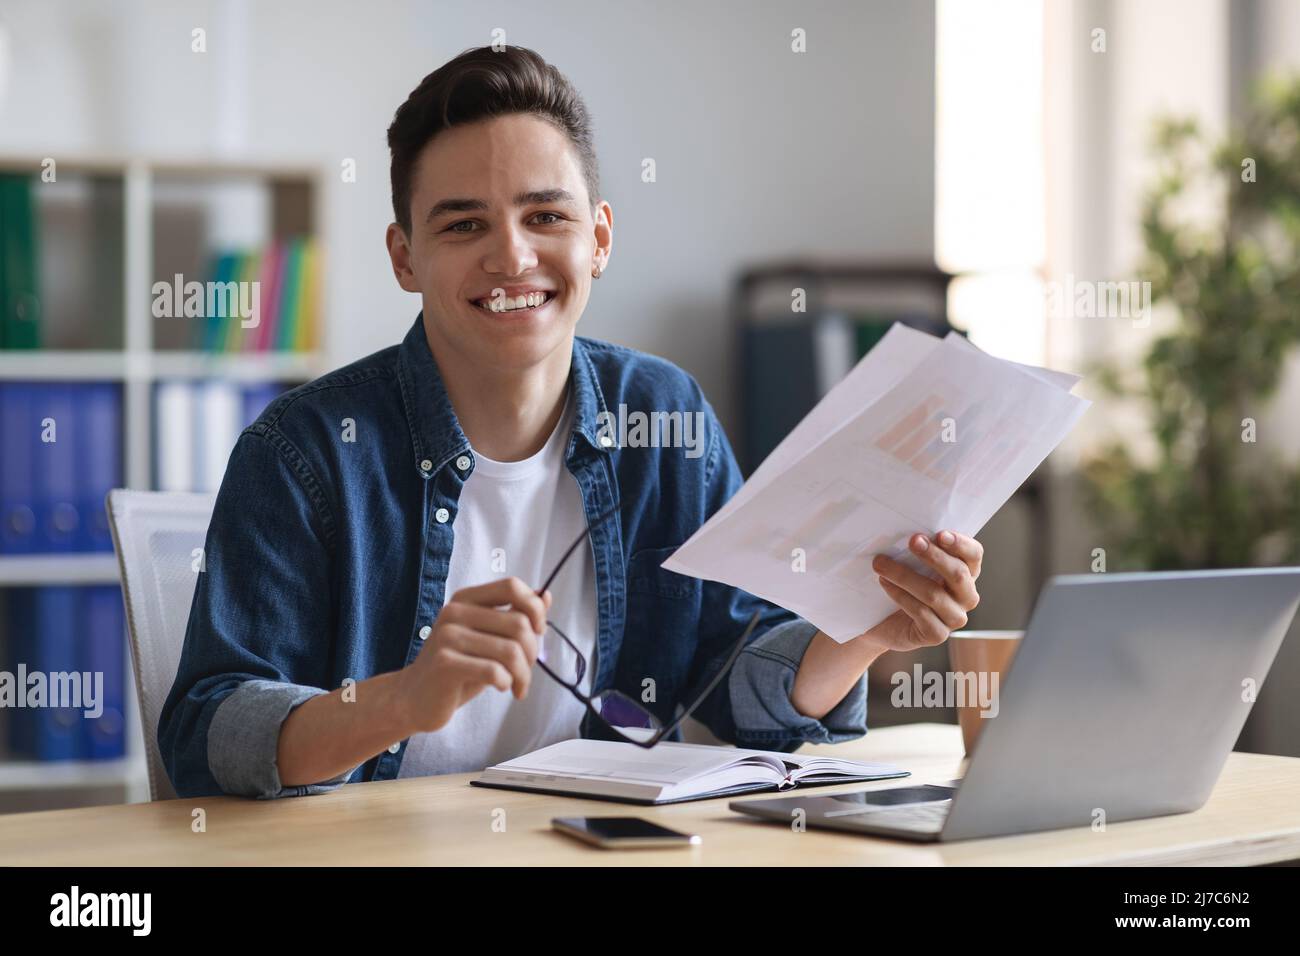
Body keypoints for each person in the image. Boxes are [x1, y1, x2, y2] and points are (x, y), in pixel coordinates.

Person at [158, 45, 982, 798]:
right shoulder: (306, 451)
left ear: (599, 238)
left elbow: (737, 682)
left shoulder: (664, 418)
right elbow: (212, 729)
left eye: (546, 216)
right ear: (406, 257)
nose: (512, 257)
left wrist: (864, 630)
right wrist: (403, 700)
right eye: (463, 224)